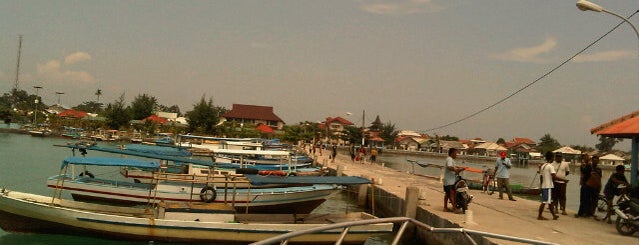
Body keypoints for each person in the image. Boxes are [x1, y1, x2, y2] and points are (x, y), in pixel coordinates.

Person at [538, 151, 563, 220]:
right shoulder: (550, 166)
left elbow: (541, 177)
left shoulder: (543, 166)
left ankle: (554, 215)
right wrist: (564, 180)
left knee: (550, 201)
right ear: (552, 158)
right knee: (544, 201)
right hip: (548, 186)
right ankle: (539, 216)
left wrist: (540, 185)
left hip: (544, 186)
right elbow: (554, 176)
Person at [443, 148, 466, 214]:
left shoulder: (451, 160)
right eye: (456, 154)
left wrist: (460, 168)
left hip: (449, 180)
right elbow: (450, 167)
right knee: (451, 194)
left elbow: (454, 166)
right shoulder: (449, 159)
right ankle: (454, 208)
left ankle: (445, 207)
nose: (456, 155)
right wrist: (456, 170)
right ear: (452, 153)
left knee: (447, 194)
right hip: (449, 180)